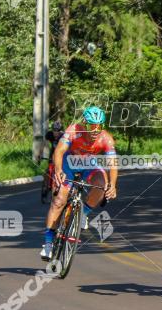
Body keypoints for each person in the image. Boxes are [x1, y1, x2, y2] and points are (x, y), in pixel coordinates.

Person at [40, 106, 118, 263]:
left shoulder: (106, 138)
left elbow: (113, 163)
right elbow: (59, 151)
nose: (95, 129)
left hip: (88, 163)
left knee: (101, 184)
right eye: (91, 125)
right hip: (69, 162)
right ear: (84, 123)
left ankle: (83, 214)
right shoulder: (73, 130)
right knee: (59, 200)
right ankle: (48, 243)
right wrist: (58, 170)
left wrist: (113, 184)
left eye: (99, 125)